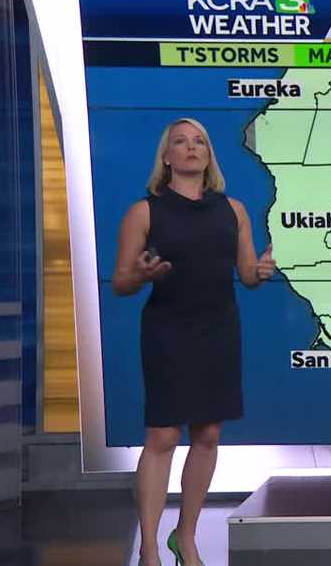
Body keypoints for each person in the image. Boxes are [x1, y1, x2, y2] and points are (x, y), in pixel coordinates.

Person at [112, 118, 275, 566]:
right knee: (163, 434)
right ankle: (148, 547)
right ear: (166, 157)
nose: (191, 148)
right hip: (168, 330)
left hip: (218, 329)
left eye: (199, 141)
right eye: (181, 142)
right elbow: (121, 282)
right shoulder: (144, 212)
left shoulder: (233, 210)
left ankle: (185, 537)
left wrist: (260, 272)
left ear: (209, 155)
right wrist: (141, 274)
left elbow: (246, 274)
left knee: (208, 434)